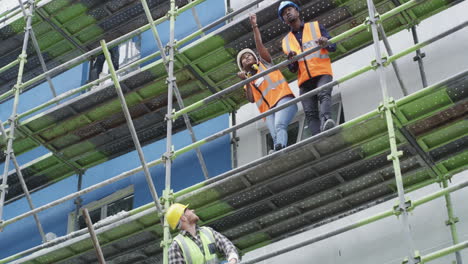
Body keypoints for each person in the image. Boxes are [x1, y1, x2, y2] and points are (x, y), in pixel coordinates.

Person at [237, 14, 298, 152]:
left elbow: (259, 45)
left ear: (255, 58)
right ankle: (278, 151)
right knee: (275, 135)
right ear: (242, 66)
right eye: (243, 59)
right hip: (268, 111)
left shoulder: (265, 64)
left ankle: (280, 149)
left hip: (284, 99)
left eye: (249, 55)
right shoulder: (248, 82)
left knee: (279, 125)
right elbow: (251, 99)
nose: (247, 58)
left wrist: (254, 26)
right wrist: (246, 81)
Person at [278, 1, 337, 136]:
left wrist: (325, 43)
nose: (287, 12)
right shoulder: (285, 41)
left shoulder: (315, 27)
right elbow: (292, 69)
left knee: (324, 94)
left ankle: (327, 122)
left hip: (322, 72)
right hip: (304, 80)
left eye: (290, 9)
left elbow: (333, 46)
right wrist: (291, 60)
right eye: (284, 13)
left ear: (297, 12)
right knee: (310, 112)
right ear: (284, 20)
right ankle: (317, 136)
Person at [166, 203, 239, 264]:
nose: (193, 210)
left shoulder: (208, 231)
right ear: (183, 218)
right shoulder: (176, 246)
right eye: (188, 210)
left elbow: (227, 246)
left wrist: (232, 261)